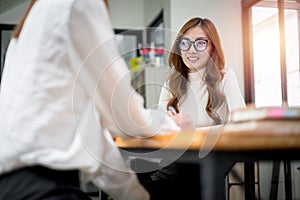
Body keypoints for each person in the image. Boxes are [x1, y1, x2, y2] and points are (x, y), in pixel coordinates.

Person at [0, 0, 180, 200]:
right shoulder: (79, 4)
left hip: (14, 186)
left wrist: (134, 195)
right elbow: (125, 117)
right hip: (46, 188)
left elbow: (95, 139)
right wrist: (169, 123)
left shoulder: (32, 18)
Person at [139, 17, 246, 199]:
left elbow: (242, 124)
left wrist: (192, 133)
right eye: (185, 43)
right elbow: (160, 125)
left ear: (212, 46)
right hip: (176, 156)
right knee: (134, 171)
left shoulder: (225, 77)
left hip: (211, 155)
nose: (191, 50)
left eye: (200, 43)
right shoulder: (171, 81)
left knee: (162, 183)